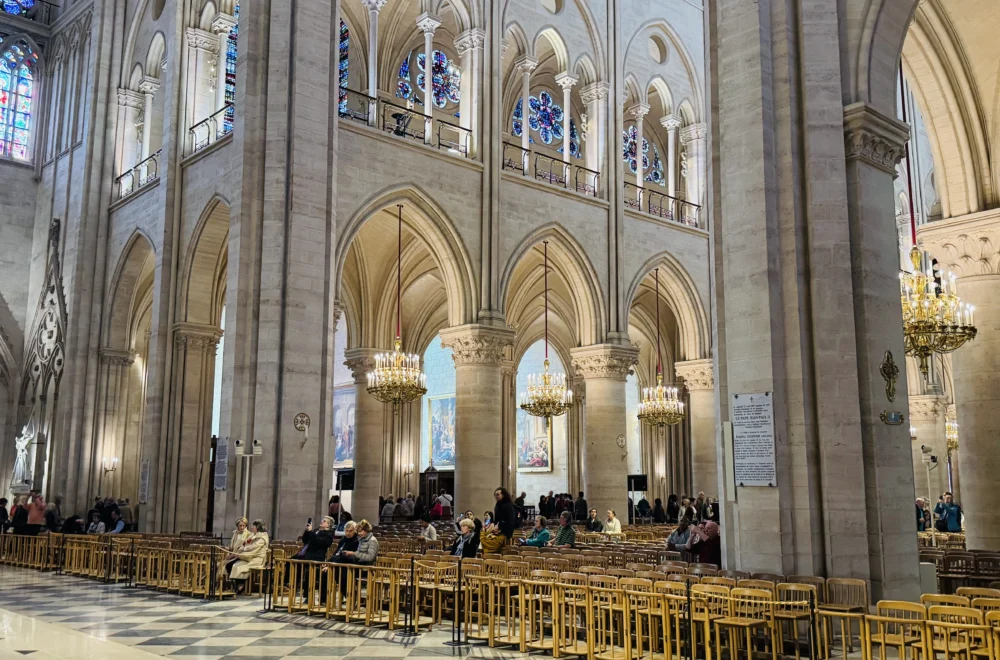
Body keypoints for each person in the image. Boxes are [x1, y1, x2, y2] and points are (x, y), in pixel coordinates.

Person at [225, 520, 269, 594]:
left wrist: (244, 548)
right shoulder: (252, 534)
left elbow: (255, 546)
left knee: (236, 566)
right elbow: (245, 542)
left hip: (256, 558)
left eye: (253, 526)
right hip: (247, 556)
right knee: (230, 565)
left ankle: (241, 585)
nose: (251, 527)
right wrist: (242, 547)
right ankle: (239, 584)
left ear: (258, 527)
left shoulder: (263, 536)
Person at [330, 520, 360, 596]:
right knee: (324, 572)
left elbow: (348, 556)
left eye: (350, 531)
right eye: (346, 531)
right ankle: (323, 600)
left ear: (355, 530)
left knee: (341, 574)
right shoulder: (343, 539)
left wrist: (331, 563)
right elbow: (337, 553)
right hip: (339, 563)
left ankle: (350, 596)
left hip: (350, 566)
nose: (348, 533)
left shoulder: (356, 541)